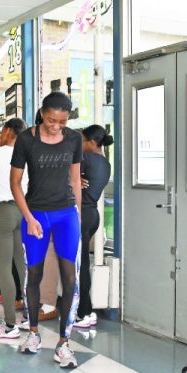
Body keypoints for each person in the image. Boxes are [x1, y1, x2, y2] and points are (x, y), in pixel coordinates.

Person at [10, 92, 82, 368]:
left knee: (70, 277)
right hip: (36, 215)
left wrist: (79, 214)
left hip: (66, 215)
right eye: (51, 120)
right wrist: (28, 217)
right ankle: (34, 333)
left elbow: (75, 179)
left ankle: (64, 343)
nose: (56, 126)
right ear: (41, 113)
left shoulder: (74, 139)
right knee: (34, 274)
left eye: (62, 122)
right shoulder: (26, 139)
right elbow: (15, 182)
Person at [0, 118, 30, 339]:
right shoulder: (27, 154)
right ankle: (30, 316)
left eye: (2, 130)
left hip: (2, 212)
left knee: (3, 268)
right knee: (22, 265)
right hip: (23, 210)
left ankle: (10, 325)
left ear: (9, 131)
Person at [73, 124, 113, 328]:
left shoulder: (85, 159)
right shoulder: (105, 163)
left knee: (79, 267)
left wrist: (73, 178)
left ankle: (84, 312)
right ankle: (84, 310)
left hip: (80, 215)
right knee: (82, 265)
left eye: (83, 140)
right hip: (92, 215)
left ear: (92, 142)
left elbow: (61, 171)